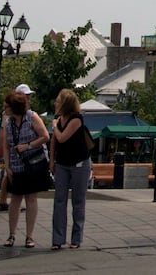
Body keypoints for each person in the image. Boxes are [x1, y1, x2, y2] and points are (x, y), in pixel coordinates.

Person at [1, 88, 50, 249]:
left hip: (33, 163)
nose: (4, 109)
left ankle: (29, 236)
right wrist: (7, 166)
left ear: (14, 107)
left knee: (31, 198)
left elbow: (45, 136)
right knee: (15, 199)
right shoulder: (8, 123)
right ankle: (11, 234)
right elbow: (6, 146)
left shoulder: (31, 117)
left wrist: (28, 145)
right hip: (16, 165)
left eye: (6, 106)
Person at [49, 89, 92, 249]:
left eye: (58, 101)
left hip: (79, 163)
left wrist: (54, 126)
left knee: (78, 200)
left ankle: (76, 238)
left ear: (65, 104)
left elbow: (62, 137)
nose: (55, 103)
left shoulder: (76, 119)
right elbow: (54, 141)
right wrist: (52, 160)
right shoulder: (59, 119)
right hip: (62, 163)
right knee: (59, 200)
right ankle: (57, 238)